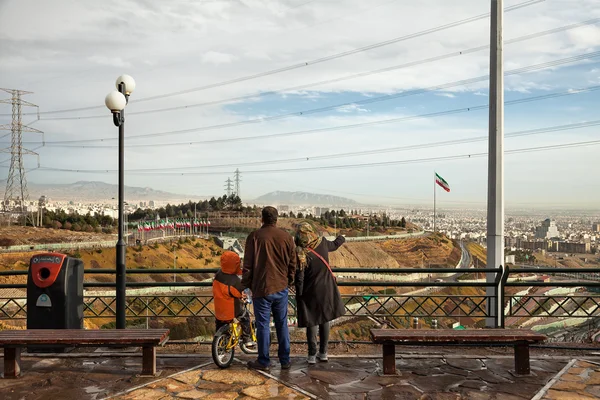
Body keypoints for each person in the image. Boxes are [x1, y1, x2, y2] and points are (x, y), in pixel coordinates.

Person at [242, 206, 297, 371]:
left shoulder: (254, 237)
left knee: (263, 325)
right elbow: (293, 263)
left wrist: (246, 285)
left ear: (262, 219)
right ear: (276, 219)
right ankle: (285, 360)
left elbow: (248, 266)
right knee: (282, 324)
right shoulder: (286, 237)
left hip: (261, 288)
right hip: (281, 287)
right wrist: (289, 280)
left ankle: (264, 360)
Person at [294, 222, 345, 364]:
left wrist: (299, 293)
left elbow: (300, 276)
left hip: (310, 290)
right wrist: (341, 237)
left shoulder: (301, 252)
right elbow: (335, 245)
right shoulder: (322, 243)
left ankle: (311, 355)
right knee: (325, 319)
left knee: (312, 321)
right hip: (327, 288)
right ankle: (323, 353)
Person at [212, 250, 253, 346]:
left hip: (219, 307)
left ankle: (221, 342)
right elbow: (239, 293)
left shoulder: (218, 274)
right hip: (232, 308)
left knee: (220, 323)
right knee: (245, 316)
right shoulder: (235, 281)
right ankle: (247, 338)